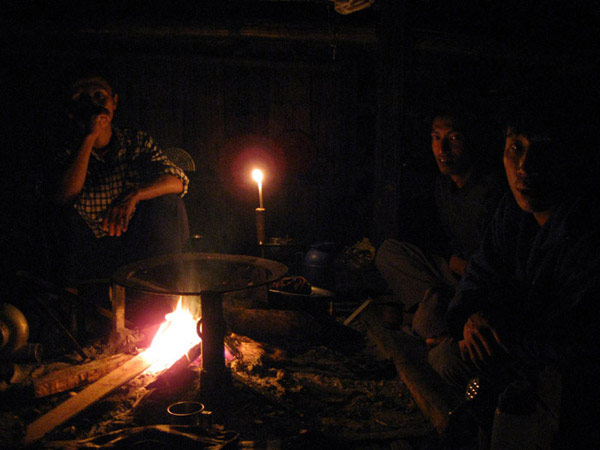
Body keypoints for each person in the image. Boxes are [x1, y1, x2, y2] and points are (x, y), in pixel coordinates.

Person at [428, 108, 600, 448]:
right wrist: (469, 318)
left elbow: (572, 336)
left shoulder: (583, 229)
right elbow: (480, 274)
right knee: (443, 357)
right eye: (516, 148)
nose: (524, 166)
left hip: (557, 381)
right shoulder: (512, 213)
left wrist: (500, 328)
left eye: (542, 150)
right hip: (505, 353)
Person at [374, 110, 505, 340]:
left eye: (453, 139)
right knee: (388, 252)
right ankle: (432, 305)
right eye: (436, 138)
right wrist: (450, 259)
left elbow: (496, 264)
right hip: (452, 273)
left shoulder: (490, 190)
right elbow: (436, 239)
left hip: (479, 283)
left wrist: (467, 269)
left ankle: (432, 315)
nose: (442, 149)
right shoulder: (443, 186)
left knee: (427, 322)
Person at [52, 76, 190, 282]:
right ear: (72, 110)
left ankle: (170, 295)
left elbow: (177, 180)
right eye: (82, 99)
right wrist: (89, 137)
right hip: (90, 248)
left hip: (137, 240)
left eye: (99, 96)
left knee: (169, 204)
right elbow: (63, 197)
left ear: (114, 102)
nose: (93, 105)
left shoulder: (135, 142)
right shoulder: (65, 151)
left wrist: (134, 195)